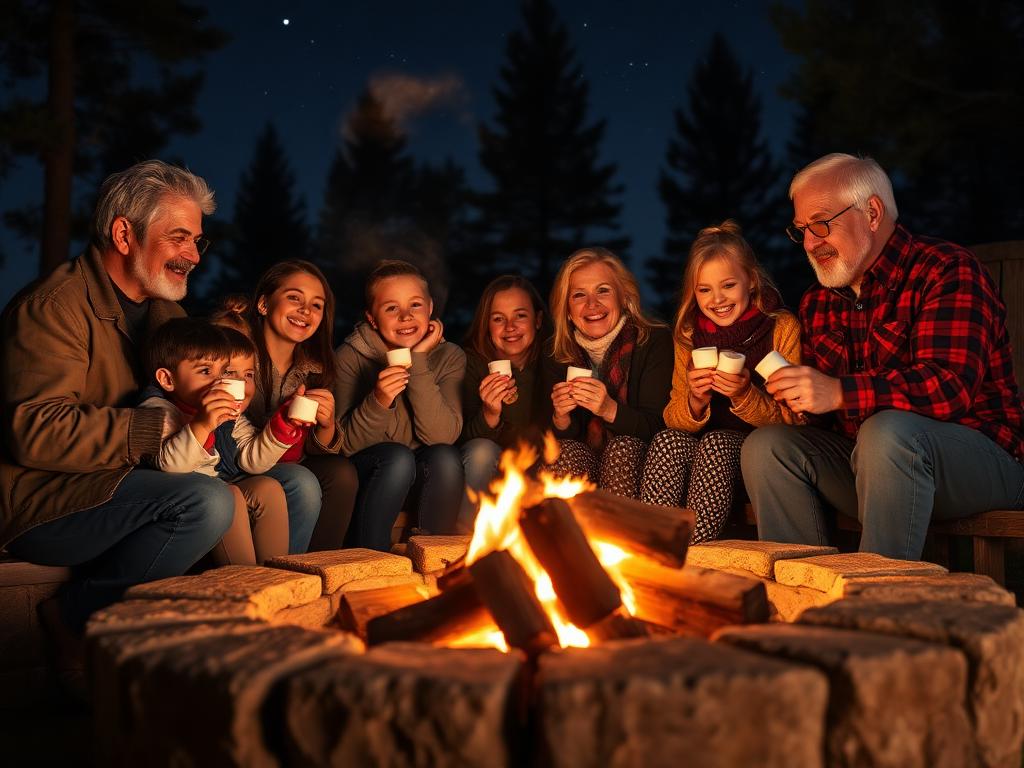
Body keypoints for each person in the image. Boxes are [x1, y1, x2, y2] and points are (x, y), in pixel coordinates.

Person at [742, 153, 1024, 560]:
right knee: (769, 447)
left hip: (984, 460)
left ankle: (874, 604)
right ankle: (803, 604)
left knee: (886, 432)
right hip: (874, 466)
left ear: (871, 212)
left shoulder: (946, 270)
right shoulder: (819, 301)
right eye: (801, 229)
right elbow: (830, 415)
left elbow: (949, 386)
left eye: (821, 223)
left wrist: (839, 392)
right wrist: (798, 399)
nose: (809, 242)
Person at [1, 160, 235, 642]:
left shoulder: (168, 312)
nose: (193, 254)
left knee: (290, 483)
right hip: (43, 498)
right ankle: (73, 618)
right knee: (204, 501)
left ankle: (251, 623)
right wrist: (154, 431)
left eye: (196, 240)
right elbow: (34, 430)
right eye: (178, 237)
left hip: (133, 479)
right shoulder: (54, 307)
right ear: (124, 234)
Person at [639, 221, 802, 542]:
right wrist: (695, 402)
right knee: (666, 443)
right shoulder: (688, 335)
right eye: (704, 290)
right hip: (701, 456)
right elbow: (673, 418)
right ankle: (651, 546)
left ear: (751, 282)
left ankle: (695, 556)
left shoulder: (780, 328)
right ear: (693, 293)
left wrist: (745, 394)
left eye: (728, 285)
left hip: (756, 457)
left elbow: (794, 420)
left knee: (716, 445)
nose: (717, 299)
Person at [139, 317, 313, 565]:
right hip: (183, 500)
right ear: (168, 379)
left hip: (217, 488)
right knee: (228, 493)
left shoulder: (227, 413)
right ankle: (246, 585)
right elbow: (171, 465)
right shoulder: (158, 410)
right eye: (205, 371)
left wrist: (282, 426)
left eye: (223, 372)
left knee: (268, 488)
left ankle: (279, 576)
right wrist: (202, 424)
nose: (219, 382)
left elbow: (253, 462)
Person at [219, 261, 358, 552]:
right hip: (236, 459)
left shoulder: (317, 367)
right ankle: (286, 573)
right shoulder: (236, 353)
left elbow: (312, 449)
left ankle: (320, 568)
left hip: (284, 459)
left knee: (341, 472)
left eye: (316, 305)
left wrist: (327, 425)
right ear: (264, 304)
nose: (306, 310)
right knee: (301, 479)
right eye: (294, 297)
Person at [333, 259, 466, 550]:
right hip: (373, 472)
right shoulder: (349, 357)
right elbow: (345, 446)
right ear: (372, 318)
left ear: (430, 308)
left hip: (424, 476)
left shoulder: (450, 356)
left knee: (445, 456)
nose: (406, 316)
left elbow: (442, 436)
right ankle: (371, 557)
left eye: (415, 305)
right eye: (391, 308)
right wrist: (379, 399)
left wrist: (417, 361)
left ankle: (432, 559)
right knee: (397, 458)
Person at [547, 247, 673, 498]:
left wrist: (608, 409)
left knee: (622, 448)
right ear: (568, 311)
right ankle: (568, 535)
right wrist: (561, 418)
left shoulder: (653, 340)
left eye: (603, 290)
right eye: (579, 295)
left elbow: (661, 430)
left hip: (647, 470)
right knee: (565, 450)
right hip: (585, 467)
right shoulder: (556, 353)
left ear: (624, 297)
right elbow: (547, 442)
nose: (592, 304)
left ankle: (617, 535)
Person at [458, 275, 556, 531]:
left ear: (537, 320)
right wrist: (490, 413)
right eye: (498, 318)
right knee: (480, 451)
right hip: (489, 466)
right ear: (486, 325)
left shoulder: (554, 360)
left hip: (538, 465)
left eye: (520, 316)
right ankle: (459, 546)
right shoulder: (471, 363)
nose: (510, 327)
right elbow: (461, 438)